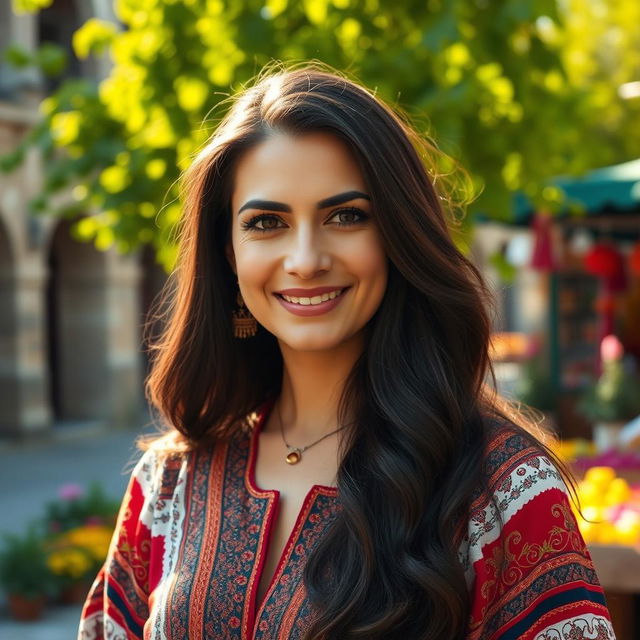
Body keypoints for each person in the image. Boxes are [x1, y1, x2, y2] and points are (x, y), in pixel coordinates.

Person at [78, 63, 615, 640]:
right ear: (228, 253)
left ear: (397, 236)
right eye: (266, 222)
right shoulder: (171, 482)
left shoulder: (502, 491)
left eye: (346, 216)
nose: (306, 258)